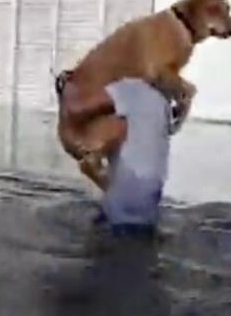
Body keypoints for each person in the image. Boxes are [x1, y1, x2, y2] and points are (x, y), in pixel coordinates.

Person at [59, 76, 188, 238]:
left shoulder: (128, 96)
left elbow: (85, 152)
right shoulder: (157, 104)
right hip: (144, 219)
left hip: (120, 222)